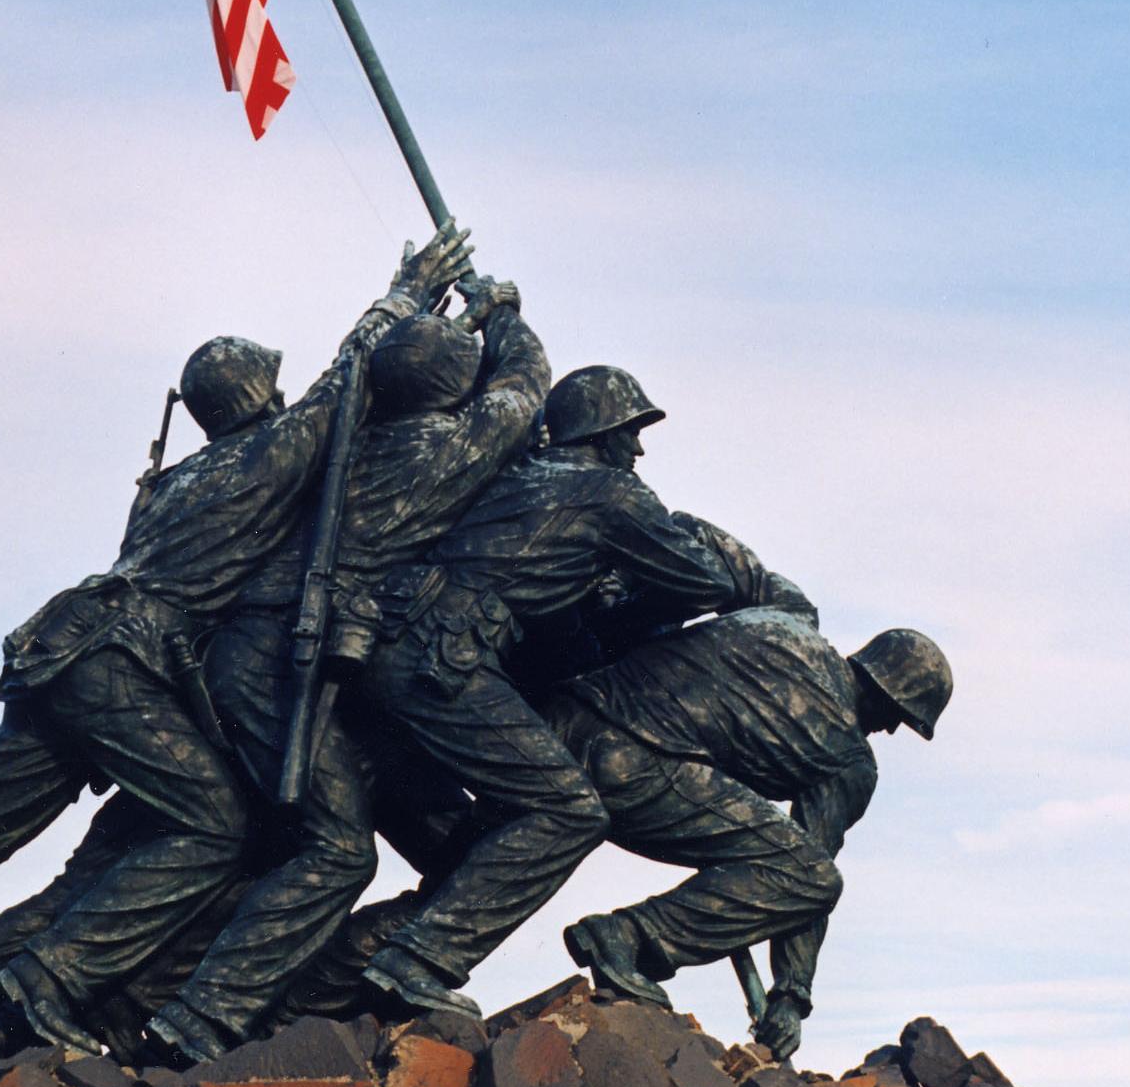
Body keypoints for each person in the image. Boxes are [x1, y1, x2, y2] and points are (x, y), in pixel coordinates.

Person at [0, 224, 471, 1075]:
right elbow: (350, 382)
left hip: (58, 655)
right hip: (120, 665)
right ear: (259, 396)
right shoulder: (265, 458)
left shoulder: (174, 483)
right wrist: (406, 294)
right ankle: (49, 984)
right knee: (213, 826)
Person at [144, 276, 549, 1062]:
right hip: (277, 661)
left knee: (391, 837)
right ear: (451, 388)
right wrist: (505, 316)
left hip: (284, 659)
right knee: (337, 849)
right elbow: (522, 392)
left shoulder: (338, 446)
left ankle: (294, 996)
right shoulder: (442, 452)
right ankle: (201, 1016)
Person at [344, 362, 807, 1013]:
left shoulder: (516, 480)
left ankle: (340, 969)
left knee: (475, 833)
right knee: (567, 811)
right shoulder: (611, 494)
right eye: (633, 431)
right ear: (604, 430)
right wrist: (685, 552)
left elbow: (558, 627)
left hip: (390, 645)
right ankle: (416, 962)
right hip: (440, 655)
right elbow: (703, 580)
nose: (639, 448)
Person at [545, 612, 952, 1054]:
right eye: (898, 715)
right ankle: (627, 935)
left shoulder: (783, 626)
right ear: (885, 691)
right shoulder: (850, 757)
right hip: (629, 767)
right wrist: (791, 997)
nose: (891, 729)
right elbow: (811, 870)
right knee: (811, 878)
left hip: (558, 722)